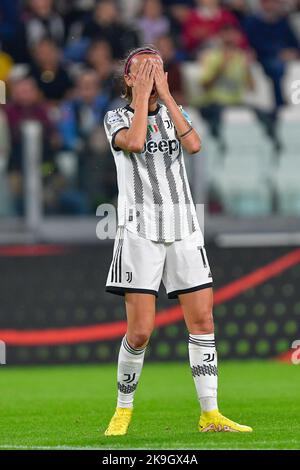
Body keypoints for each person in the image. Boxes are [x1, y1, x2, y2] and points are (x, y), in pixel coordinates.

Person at [103, 46, 252, 435]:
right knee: (140, 331)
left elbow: (195, 145)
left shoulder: (175, 111)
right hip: (140, 231)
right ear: (128, 78)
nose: (152, 74)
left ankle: (210, 413)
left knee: (202, 319)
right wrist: (140, 98)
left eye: (158, 69)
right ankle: (123, 409)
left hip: (184, 226)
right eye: (143, 70)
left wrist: (166, 95)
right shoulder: (115, 116)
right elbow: (134, 142)